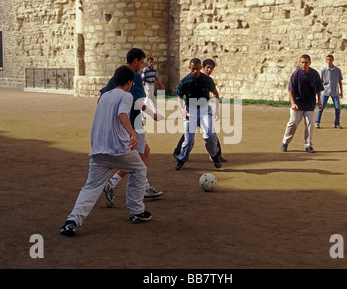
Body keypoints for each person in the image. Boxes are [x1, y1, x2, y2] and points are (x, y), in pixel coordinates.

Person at [60, 66, 151, 236]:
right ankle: (137, 211)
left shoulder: (103, 97)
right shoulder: (126, 95)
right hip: (118, 149)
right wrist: (133, 134)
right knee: (140, 169)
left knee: (91, 186)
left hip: (98, 150)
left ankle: (72, 220)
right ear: (129, 82)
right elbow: (122, 114)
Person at [101, 48, 164, 206]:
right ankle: (115, 183)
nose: (141, 65)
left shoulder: (118, 74)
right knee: (137, 158)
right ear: (136, 60)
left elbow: (102, 96)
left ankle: (144, 185)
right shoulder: (133, 76)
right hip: (133, 122)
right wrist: (153, 114)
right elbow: (138, 102)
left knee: (145, 152)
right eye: (141, 62)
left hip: (120, 124)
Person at [172, 59, 227, 162]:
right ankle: (178, 152)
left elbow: (213, 94)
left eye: (211, 68)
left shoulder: (207, 80)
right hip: (191, 110)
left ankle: (216, 154)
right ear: (204, 68)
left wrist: (213, 107)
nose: (209, 70)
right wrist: (183, 110)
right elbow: (180, 96)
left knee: (210, 133)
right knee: (189, 136)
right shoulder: (188, 80)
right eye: (208, 68)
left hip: (203, 111)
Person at [281, 54, 324, 153]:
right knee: (293, 122)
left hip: (309, 103)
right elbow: (290, 91)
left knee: (310, 124)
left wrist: (319, 100)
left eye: (306, 63)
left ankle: (308, 145)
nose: (304, 64)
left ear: (310, 63)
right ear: (300, 63)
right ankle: (285, 142)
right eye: (302, 62)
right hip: (297, 102)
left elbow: (318, 89)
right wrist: (293, 104)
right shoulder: (296, 74)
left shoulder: (314, 74)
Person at [315, 55, 343, 129]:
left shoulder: (337, 70)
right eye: (327, 59)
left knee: (337, 108)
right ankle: (317, 122)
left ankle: (337, 123)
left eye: (330, 59)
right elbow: (320, 82)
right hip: (325, 91)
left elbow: (340, 81)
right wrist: (319, 93)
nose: (329, 61)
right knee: (321, 107)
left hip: (335, 91)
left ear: (333, 60)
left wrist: (341, 91)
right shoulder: (324, 70)